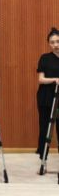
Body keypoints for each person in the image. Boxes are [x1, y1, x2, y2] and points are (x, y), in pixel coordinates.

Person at [36, 27, 59, 167]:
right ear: (49, 44)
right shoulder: (45, 58)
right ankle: (43, 160)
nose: (55, 45)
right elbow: (41, 79)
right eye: (52, 42)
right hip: (46, 97)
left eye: (58, 41)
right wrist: (55, 79)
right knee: (45, 128)